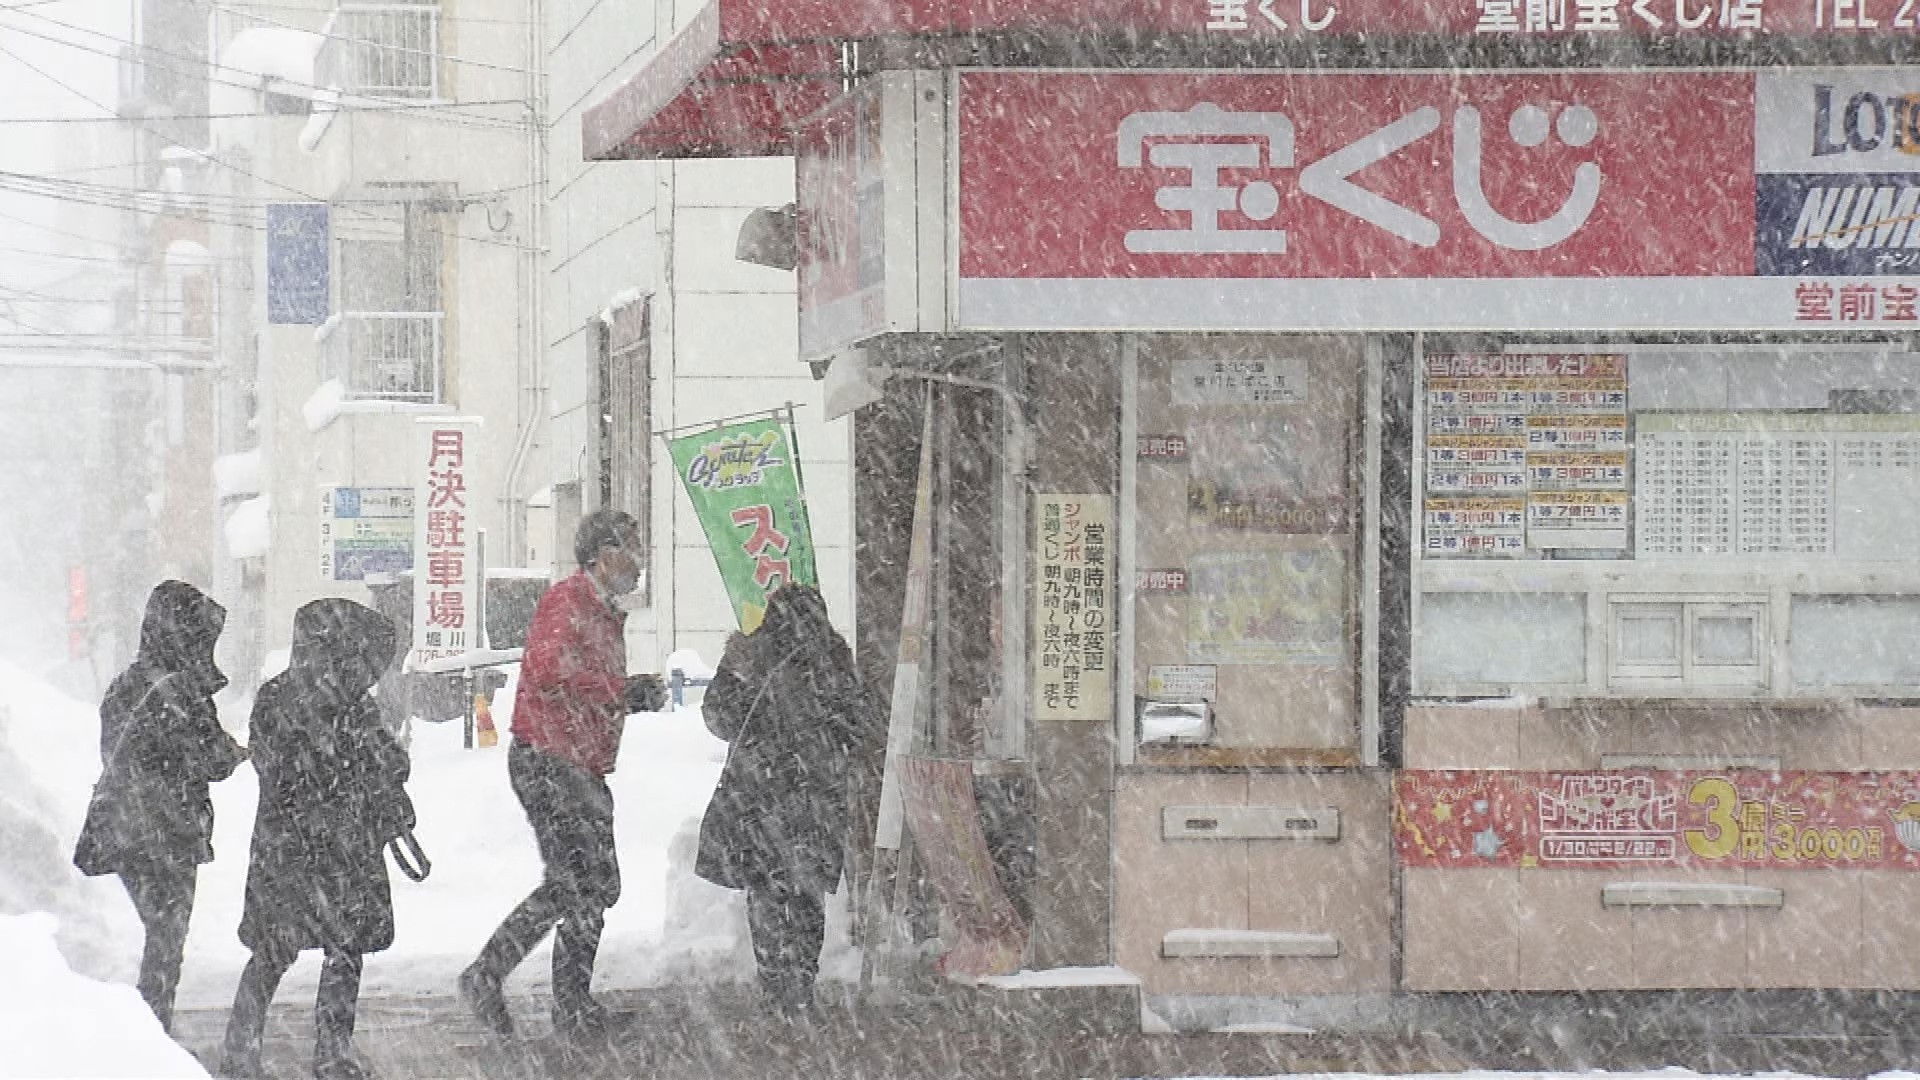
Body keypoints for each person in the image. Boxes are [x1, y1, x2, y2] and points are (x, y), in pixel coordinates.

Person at [458, 509, 666, 1041]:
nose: (640, 560)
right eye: (631, 548)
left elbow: (581, 679)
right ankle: (528, 990)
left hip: (573, 761)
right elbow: (551, 670)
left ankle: (546, 995)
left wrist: (625, 694)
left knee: (584, 884)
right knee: (584, 883)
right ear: (602, 555)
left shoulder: (600, 609)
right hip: (551, 759)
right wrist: (622, 691)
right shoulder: (568, 600)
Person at [219, 599, 412, 1080]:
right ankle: (332, 1052)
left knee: (274, 951)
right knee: (343, 949)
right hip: (341, 849)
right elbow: (387, 762)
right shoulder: (351, 705)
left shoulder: (277, 696)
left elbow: (271, 764)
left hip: (285, 848)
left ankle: (241, 1051)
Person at [694, 583, 880, 1017]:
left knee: (767, 893)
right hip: (816, 798)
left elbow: (719, 718)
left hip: (760, 796)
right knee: (806, 896)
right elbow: (859, 726)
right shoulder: (833, 660)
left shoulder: (751, 656)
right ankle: (800, 986)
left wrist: (738, 679)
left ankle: (775, 983)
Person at [73, 580, 247, 1035]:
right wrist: (236, 752)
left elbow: (113, 751)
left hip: (122, 828)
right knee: (166, 942)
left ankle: (135, 1029)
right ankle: (151, 1032)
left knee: (146, 934)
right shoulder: (182, 692)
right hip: (170, 832)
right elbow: (212, 760)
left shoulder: (123, 687)